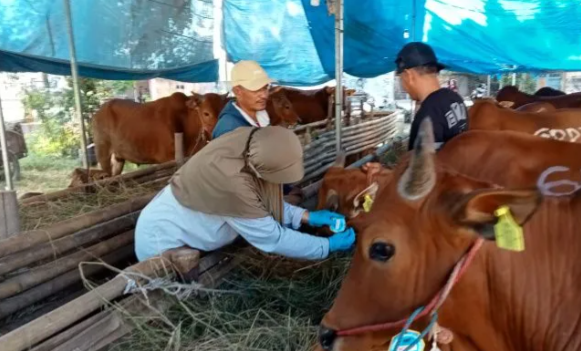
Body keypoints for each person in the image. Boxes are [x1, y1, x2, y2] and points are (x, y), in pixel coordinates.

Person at [135, 126, 355, 261]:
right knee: (178, 299)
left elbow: (262, 200)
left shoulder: (251, 143)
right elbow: (273, 238)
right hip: (162, 243)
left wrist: (307, 217)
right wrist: (326, 247)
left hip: (184, 229)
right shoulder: (230, 181)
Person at [395, 42, 468, 150]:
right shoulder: (455, 99)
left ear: (409, 76)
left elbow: (423, 166)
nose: (403, 86)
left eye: (401, 78)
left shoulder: (427, 115)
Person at [212, 60, 273, 139]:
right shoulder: (229, 130)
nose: (264, 95)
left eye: (265, 88)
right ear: (238, 92)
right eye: (256, 89)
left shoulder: (263, 117)